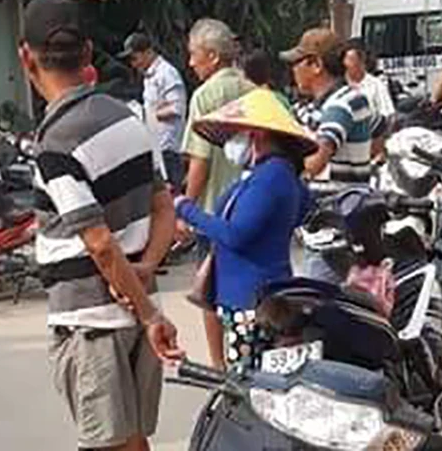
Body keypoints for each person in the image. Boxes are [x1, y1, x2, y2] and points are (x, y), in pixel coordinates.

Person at [18, 0, 182, 451]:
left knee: (106, 444)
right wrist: (145, 272)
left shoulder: (55, 143)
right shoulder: (128, 119)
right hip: (137, 302)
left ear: (26, 57)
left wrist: (149, 315)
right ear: (88, 53)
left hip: (90, 319)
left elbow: (100, 243)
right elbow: (164, 207)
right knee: (133, 441)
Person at [175, 88, 314, 370]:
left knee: (248, 379)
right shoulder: (275, 174)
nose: (231, 141)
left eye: (236, 133)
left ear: (256, 134)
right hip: (257, 294)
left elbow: (236, 234)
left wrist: (186, 209)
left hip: (250, 300)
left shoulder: (270, 177)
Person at [180, 18, 255, 369]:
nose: (190, 62)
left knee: (210, 290)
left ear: (212, 56)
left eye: (194, 54)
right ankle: (248, 357)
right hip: (252, 206)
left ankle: (218, 365)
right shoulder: (252, 90)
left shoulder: (205, 96)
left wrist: (185, 207)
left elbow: (201, 161)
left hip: (213, 213)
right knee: (247, 289)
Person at [282, 28, 383, 282]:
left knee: (320, 299)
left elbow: (315, 163)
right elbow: (380, 130)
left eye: (297, 63)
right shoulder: (348, 99)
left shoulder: (339, 106)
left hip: (334, 230)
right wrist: (359, 163)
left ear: (316, 65)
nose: (293, 70)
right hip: (343, 219)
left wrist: (288, 159)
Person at [121, 32, 188, 189]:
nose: (133, 64)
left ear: (148, 52)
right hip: (156, 145)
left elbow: (177, 108)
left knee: (173, 192)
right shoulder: (149, 76)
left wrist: (148, 115)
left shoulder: (166, 73)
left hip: (169, 147)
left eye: (135, 58)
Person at [342, 40, 395, 127]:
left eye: (351, 59)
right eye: (345, 59)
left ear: (361, 62)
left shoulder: (376, 85)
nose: (346, 63)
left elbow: (388, 115)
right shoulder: (339, 86)